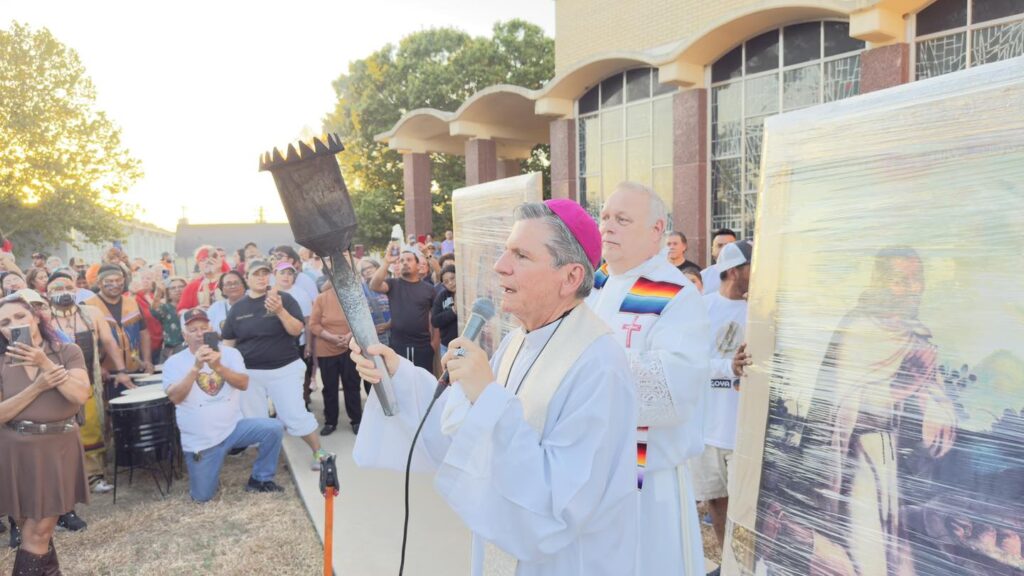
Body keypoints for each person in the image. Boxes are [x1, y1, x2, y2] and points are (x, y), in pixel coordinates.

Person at [353, 199, 638, 576]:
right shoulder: (517, 341)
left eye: (520, 255)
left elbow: (559, 502)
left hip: (569, 562)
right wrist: (399, 377)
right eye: (506, 251)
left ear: (569, 278)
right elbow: (463, 436)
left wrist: (488, 397)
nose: (500, 265)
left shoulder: (599, 365)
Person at [586, 182, 711, 575]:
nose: (608, 227)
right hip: (591, 466)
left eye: (622, 219)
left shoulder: (674, 293)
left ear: (657, 230)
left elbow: (672, 392)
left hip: (645, 477)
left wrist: (589, 366)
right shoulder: (596, 284)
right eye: (605, 217)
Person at [0, 293, 90, 574]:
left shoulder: (67, 351)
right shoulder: (2, 362)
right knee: (33, 528)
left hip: (58, 449)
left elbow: (80, 394)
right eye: (4, 321)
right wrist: (37, 387)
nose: (12, 324)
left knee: (38, 531)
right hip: (15, 451)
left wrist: (45, 363)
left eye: (19, 316)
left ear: (36, 317)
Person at [163, 308, 285, 502]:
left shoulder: (230, 354)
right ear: (184, 335)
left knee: (273, 428)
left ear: (211, 329)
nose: (200, 333)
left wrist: (218, 367)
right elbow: (175, 398)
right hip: (202, 441)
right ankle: (207, 470)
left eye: (204, 328)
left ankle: (260, 479)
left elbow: (243, 384)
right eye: (193, 330)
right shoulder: (174, 362)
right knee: (202, 497)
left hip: (233, 429)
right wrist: (196, 367)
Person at [220, 260, 328, 470]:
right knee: (255, 419)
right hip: (250, 373)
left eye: (265, 273)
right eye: (256, 274)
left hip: (284, 368)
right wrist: (225, 368)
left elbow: (296, 330)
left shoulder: (284, 299)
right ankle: (266, 461)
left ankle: (319, 452)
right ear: (247, 279)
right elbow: (228, 343)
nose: (261, 277)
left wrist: (279, 310)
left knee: (293, 414)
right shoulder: (238, 308)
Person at [47, 271, 134, 498]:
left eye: (67, 286)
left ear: (76, 289)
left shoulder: (92, 313)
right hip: (56, 385)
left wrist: (122, 371)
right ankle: (67, 479)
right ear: (46, 294)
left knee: (93, 427)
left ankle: (94, 476)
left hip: (89, 383)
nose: (62, 292)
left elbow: (109, 342)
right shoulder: (42, 317)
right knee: (61, 431)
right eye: (56, 289)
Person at [691, 240, 751, 556]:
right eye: (752, 266)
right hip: (706, 428)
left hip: (742, 432)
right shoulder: (702, 308)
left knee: (745, 506)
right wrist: (728, 367)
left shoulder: (762, 312)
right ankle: (728, 562)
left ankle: (742, 565)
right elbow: (690, 365)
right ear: (734, 270)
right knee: (715, 500)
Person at [368, 245, 435, 372]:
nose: (405, 263)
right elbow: (374, 285)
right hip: (398, 345)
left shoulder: (429, 289)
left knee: (423, 383)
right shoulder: (393, 284)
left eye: (409, 260)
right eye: (402, 260)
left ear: (418, 265)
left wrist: (434, 344)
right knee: (401, 383)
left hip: (423, 346)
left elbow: (434, 318)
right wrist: (387, 262)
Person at [86, 264, 155, 379]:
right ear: (99, 284)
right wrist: (95, 367)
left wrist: (147, 360)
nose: (115, 285)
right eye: (109, 281)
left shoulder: (133, 302)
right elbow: (84, 344)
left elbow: (144, 333)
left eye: (119, 280)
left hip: (135, 369)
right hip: (107, 375)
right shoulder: (88, 306)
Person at [309, 276, 358, 435]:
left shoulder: (352, 297)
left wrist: (349, 336)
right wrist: (331, 337)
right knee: (329, 387)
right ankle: (330, 421)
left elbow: (359, 320)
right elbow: (314, 325)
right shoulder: (321, 298)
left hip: (349, 347)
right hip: (326, 349)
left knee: (352, 385)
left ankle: (357, 420)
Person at [273, 261, 315, 407]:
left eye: (290, 273)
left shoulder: (301, 294)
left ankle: (301, 405)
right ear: (275, 275)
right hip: (275, 344)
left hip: (299, 343)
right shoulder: (268, 293)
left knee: (300, 377)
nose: (286, 276)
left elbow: (308, 321)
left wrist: (309, 345)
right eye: (282, 273)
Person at [177, 245, 224, 312]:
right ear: (198, 265)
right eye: (203, 260)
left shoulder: (226, 281)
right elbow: (181, 310)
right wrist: (196, 311)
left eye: (211, 259)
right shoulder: (192, 286)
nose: (207, 262)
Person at [151, 277, 187, 362]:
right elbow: (154, 310)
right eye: (173, 288)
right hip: (173, 351)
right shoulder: (165, 308)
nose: (177, 290)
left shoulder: (193, 306)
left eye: (181, 286)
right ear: (168, 292)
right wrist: (158, 291)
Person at [358, 258, 391, 347]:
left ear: (377, 267)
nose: (367, 270)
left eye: (370, 267)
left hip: (393, 331)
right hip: (372, 337)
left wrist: (389, 324)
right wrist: (371, 329)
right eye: (364, 270)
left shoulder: (389, 285)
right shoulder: (359, 290)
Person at [207, 271, 246, 336]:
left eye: (236, 283)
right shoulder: (216, 307)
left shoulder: (252, 303)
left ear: (243, 286)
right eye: (228, 284)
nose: (233, 286)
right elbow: (207, 328)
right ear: (223, 290)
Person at [431, 264, 458, 357]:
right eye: (446, 282)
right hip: (447, 347)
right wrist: (453, 311)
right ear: (443, 284)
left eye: (452, 278)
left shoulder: (468, 293)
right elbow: (435, 321)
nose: (450, 283)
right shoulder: (442, 297)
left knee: (461, 369)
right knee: (449, 370)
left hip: (464, 347)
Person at [700, 228, 737, 296]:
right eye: (719, 245)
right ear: (712, 250)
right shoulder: (703, 276)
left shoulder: (746, 275)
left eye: (728, 246)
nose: (724, 249)